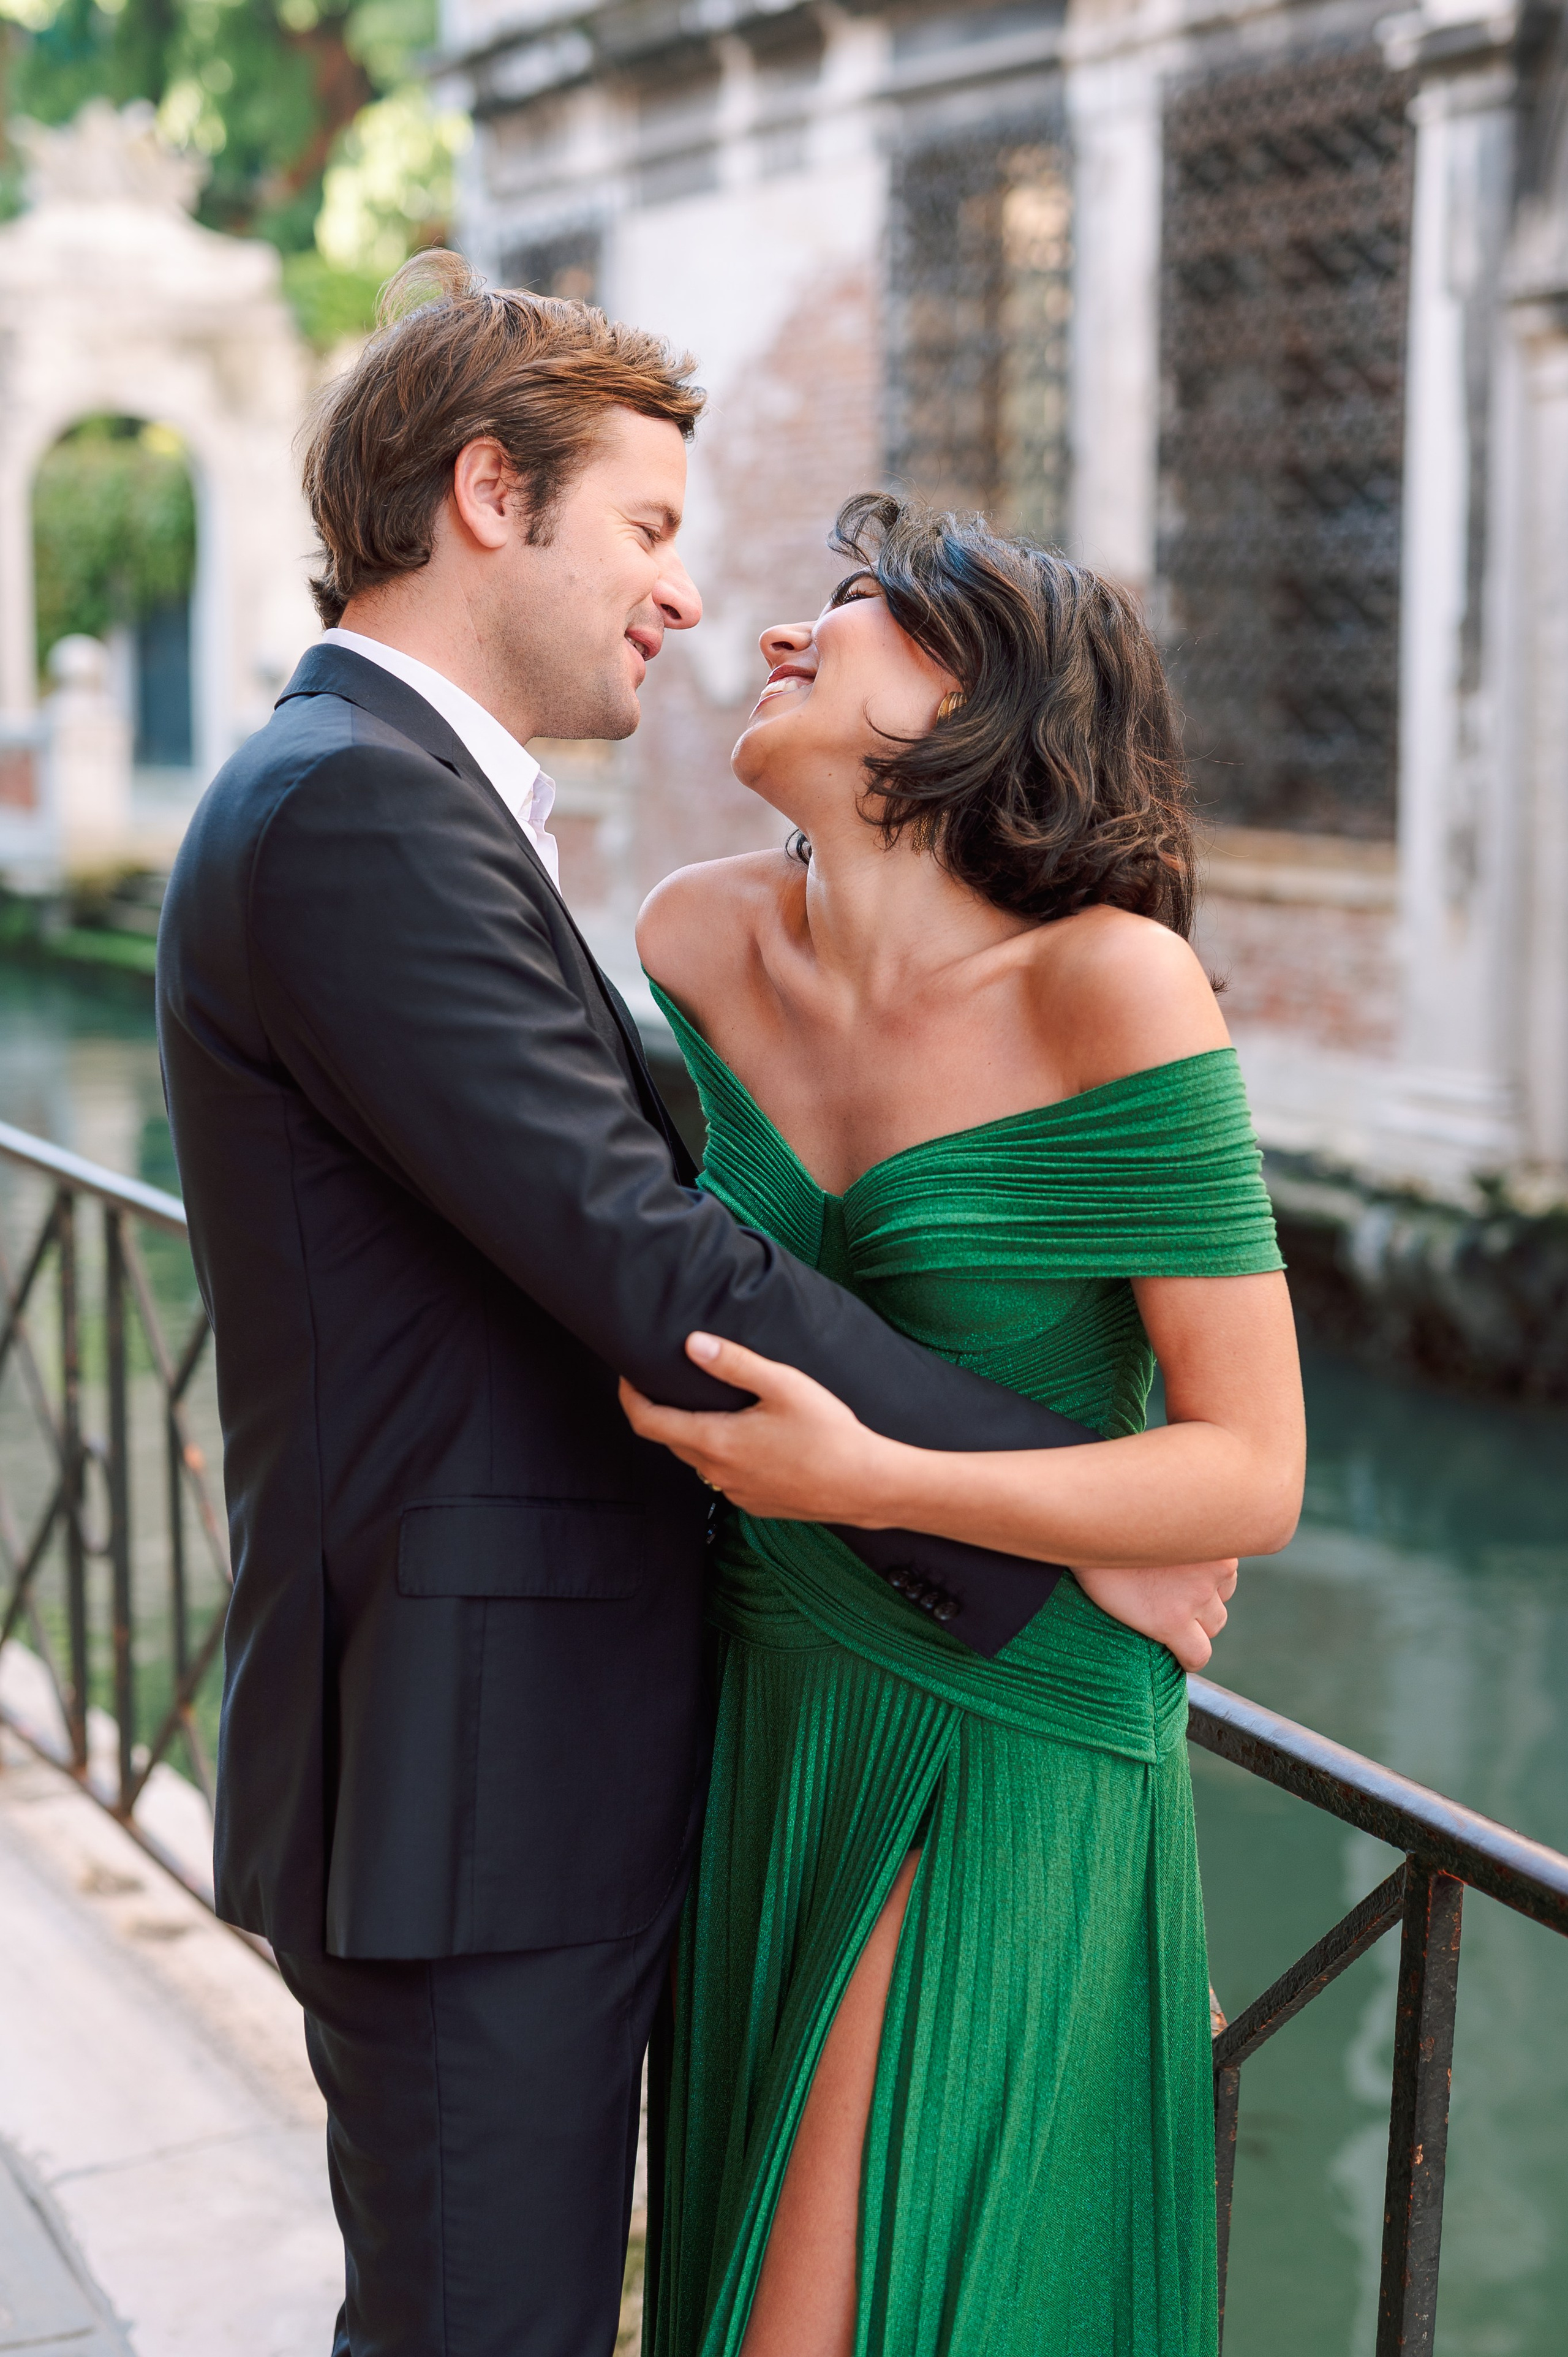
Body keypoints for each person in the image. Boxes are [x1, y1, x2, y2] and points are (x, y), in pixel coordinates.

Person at [154, 258, 1140, 2356]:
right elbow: (643, 1258)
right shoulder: (350, 809)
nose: (683, 599)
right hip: (468, 1795)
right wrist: (1076, 1505)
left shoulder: (386, 799)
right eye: (651, 529)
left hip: (527, 1769)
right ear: (492, 497)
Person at [623, 493, 1306, 2357]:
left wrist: (879, 1480)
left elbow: (1252, 1468)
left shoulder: (1112, 987)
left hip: (1011, 1733)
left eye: (850, 608)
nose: (775, 634)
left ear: (976, 708)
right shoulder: (690, 940)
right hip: (762, 1694)